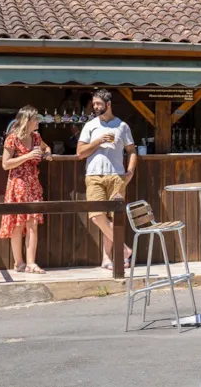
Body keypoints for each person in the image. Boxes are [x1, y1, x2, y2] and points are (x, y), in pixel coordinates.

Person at [77, 89, 137, 270]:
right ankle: (126, 250)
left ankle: (107, 258)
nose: (95, 107)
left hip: (117, 175)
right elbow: (80, 153)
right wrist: (98, 141)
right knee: (97, 217)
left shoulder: (122, 126)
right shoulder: (90, 126)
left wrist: (131, 171)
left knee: (113, 218)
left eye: (99, 104)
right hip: (94, 175)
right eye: (94, 104)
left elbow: (131, 151)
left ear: (108, 104)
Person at [0, 105, 52, 274]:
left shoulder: (36, 137)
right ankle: (19, 262)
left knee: (33, 223)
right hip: (18, 184)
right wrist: (27, 156)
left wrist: (47, 154)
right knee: (18, 223)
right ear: (27, 121)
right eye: (36, 118)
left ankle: (31, 263)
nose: (38, 121)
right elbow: (5, 164)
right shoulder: (12, 138)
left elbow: (47, 148)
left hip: (33, 183)